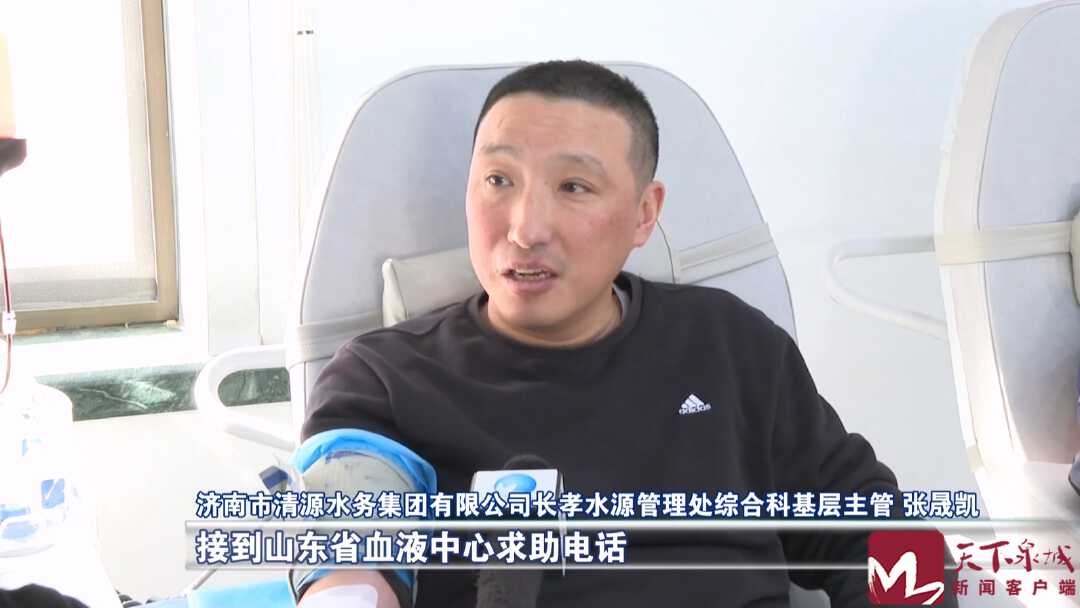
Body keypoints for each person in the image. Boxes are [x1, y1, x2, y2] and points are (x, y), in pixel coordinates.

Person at [297, 59, 955, 607]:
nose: (525, 228)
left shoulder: (729, 344)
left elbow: (879, 528)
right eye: (498, 180)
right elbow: (346, 545)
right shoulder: (384, 380)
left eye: (573, 186)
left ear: (644, 215)